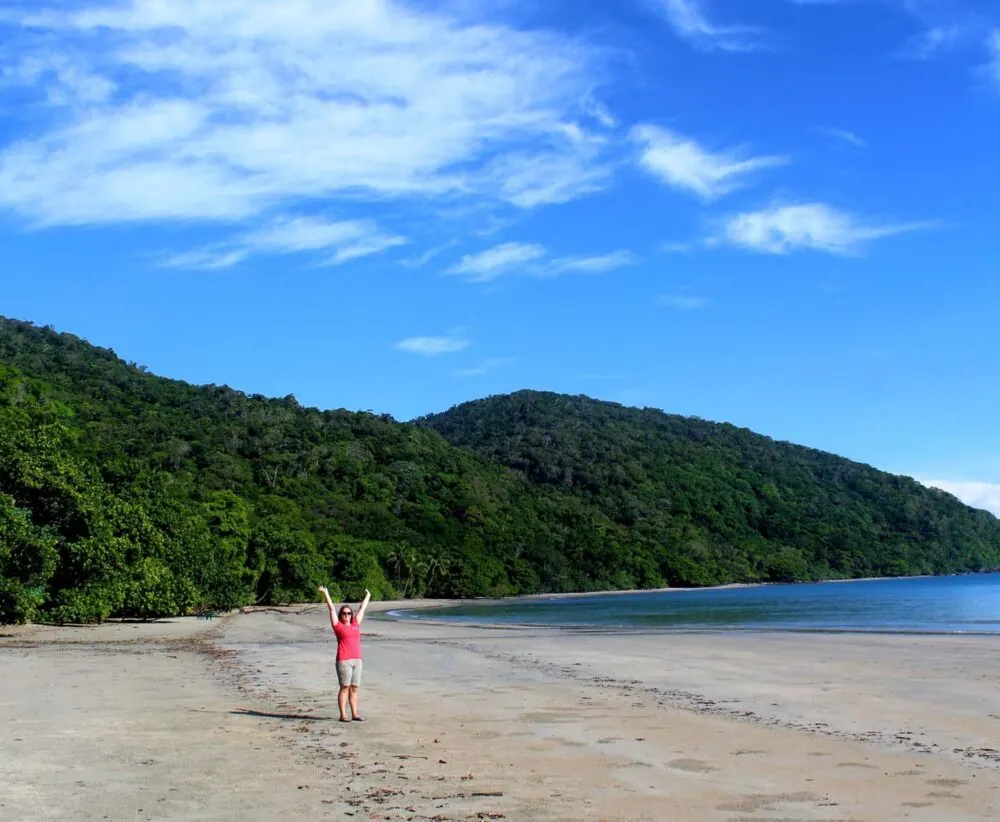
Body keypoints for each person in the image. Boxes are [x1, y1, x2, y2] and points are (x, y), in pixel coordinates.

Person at [318, 585, 371, 722]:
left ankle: (355, 714)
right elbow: (331, 609)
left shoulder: (355, 623)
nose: (347, 615)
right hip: (344, 661)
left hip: (357, 660)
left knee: (354, 688)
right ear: (341, 615)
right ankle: (343, 715)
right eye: (344, 613)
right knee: (344, 687)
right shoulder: (338, 626)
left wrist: (368, 596)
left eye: (349, 613)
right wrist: (326, 594)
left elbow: (362, 609)